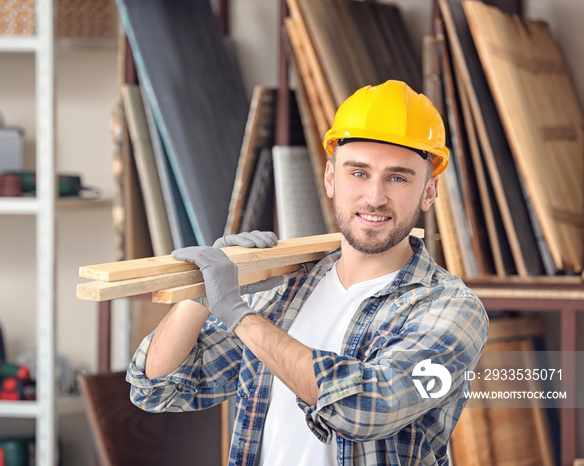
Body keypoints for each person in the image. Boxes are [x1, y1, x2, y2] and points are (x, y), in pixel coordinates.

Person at [126, 80, 488, 466]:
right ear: (331, 178)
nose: (375, 196)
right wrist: (201, 294)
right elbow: (157, 388)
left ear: (429, 192)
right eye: (358, 173)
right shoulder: (286, 291)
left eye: (398, 177)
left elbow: (365, 408)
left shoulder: (450, 309)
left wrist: (236, 312)